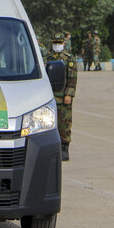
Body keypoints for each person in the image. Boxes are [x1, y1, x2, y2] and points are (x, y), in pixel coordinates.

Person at [47, 33, 77, 161]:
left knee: (64, 123)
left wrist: (69, 94)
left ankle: (65, 147)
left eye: (59, 43)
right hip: (49, 96)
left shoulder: (68, 59)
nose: (57, 45)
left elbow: (72, 78)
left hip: (63, 96)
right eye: (55, 43)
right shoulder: (47, 58)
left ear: (63, 44)